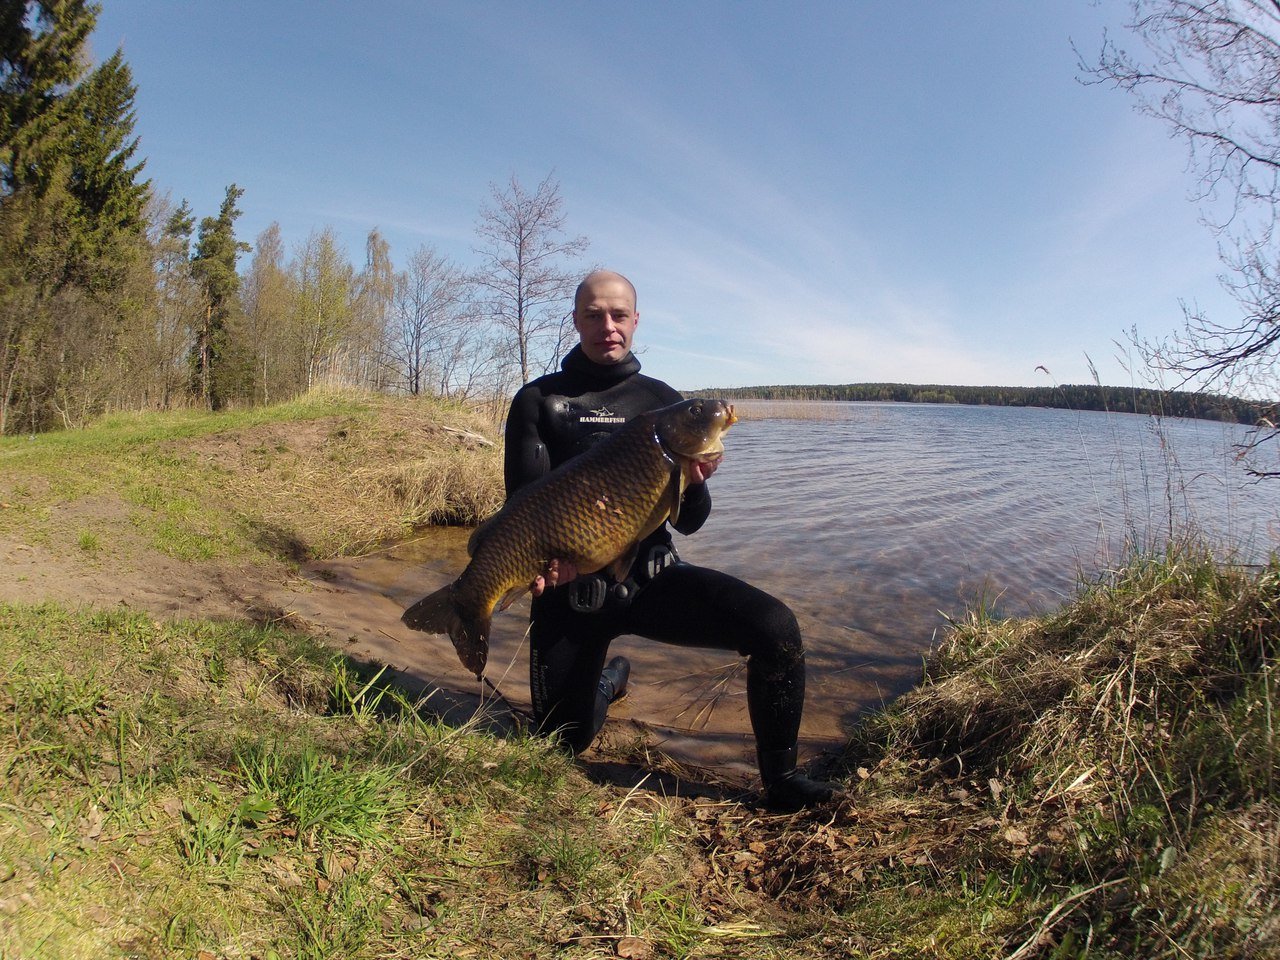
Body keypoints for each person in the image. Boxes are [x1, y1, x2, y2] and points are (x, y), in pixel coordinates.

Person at [502, 269, 836, 811]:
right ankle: (608, 682)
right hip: (573, 592)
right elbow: (523, 508)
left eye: (618, 314)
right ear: (576, 320)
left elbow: (691, 522)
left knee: (776, 628)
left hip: (649, 580)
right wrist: (547, 568)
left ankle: (782, 780)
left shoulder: (662, 402)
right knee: (561, 745)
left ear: (635, 321)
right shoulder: (539, 401)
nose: (606, 326)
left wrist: (695, 481)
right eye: (593, 314)